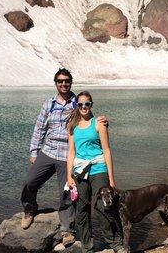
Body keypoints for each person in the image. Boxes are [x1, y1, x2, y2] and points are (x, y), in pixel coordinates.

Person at [20, 69, 107, 247]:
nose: (64, 84)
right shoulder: (48, 104)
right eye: (60, 81)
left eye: (67, 81)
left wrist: (104, 121)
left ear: (71, 82)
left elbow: (89, 119)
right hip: (48, 151)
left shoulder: (78, 103)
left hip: (67, 155)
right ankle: (30, 209)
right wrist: (34, 151)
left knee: (67, 193)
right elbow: (39, 128)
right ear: (56, 83)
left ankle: (67, 230)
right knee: (30, 182)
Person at [66, 91, 123, 253]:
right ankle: (87, 246)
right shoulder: (72, 126)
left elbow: (106, 150)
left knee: (103, 206)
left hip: (99, 169)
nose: (83, 107)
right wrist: (69, 176)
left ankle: (115, 242)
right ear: (76, 106)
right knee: (82, 210)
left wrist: (111, 178)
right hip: (80, 172)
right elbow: (71, 152)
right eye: (80, 104)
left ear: (91, 105)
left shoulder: (99, 123)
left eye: (87, 104)